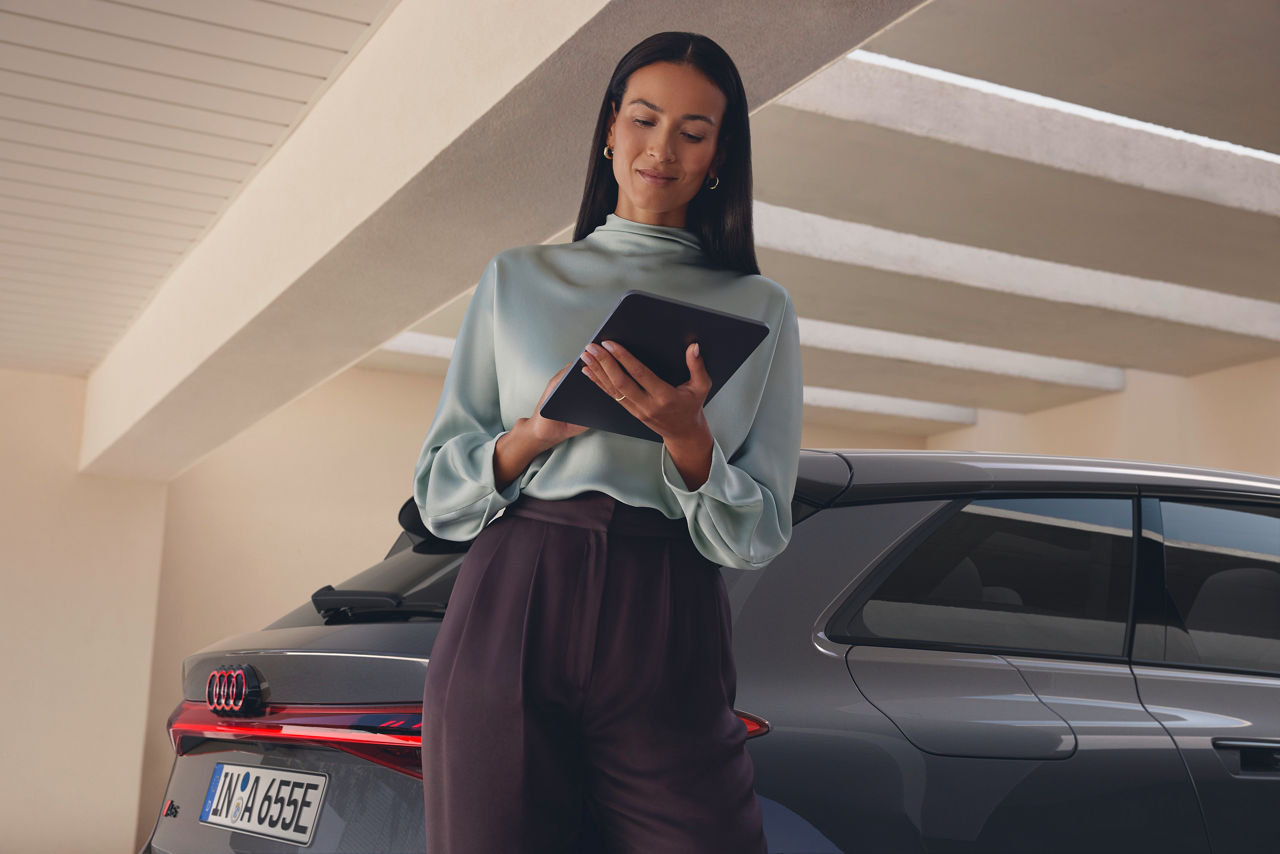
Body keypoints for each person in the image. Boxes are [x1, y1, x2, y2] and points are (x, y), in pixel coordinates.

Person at [413, 31, 803, 854]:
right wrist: (537, 432)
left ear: (719, 157)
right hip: (517, 591)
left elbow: (761, 528)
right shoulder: (515, 279)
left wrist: (688, 440)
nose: (661, 148)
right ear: (608, 132)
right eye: (643, 120)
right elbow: (438, 495)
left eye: (693, 132)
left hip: (670, 604)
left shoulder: (760, 307)